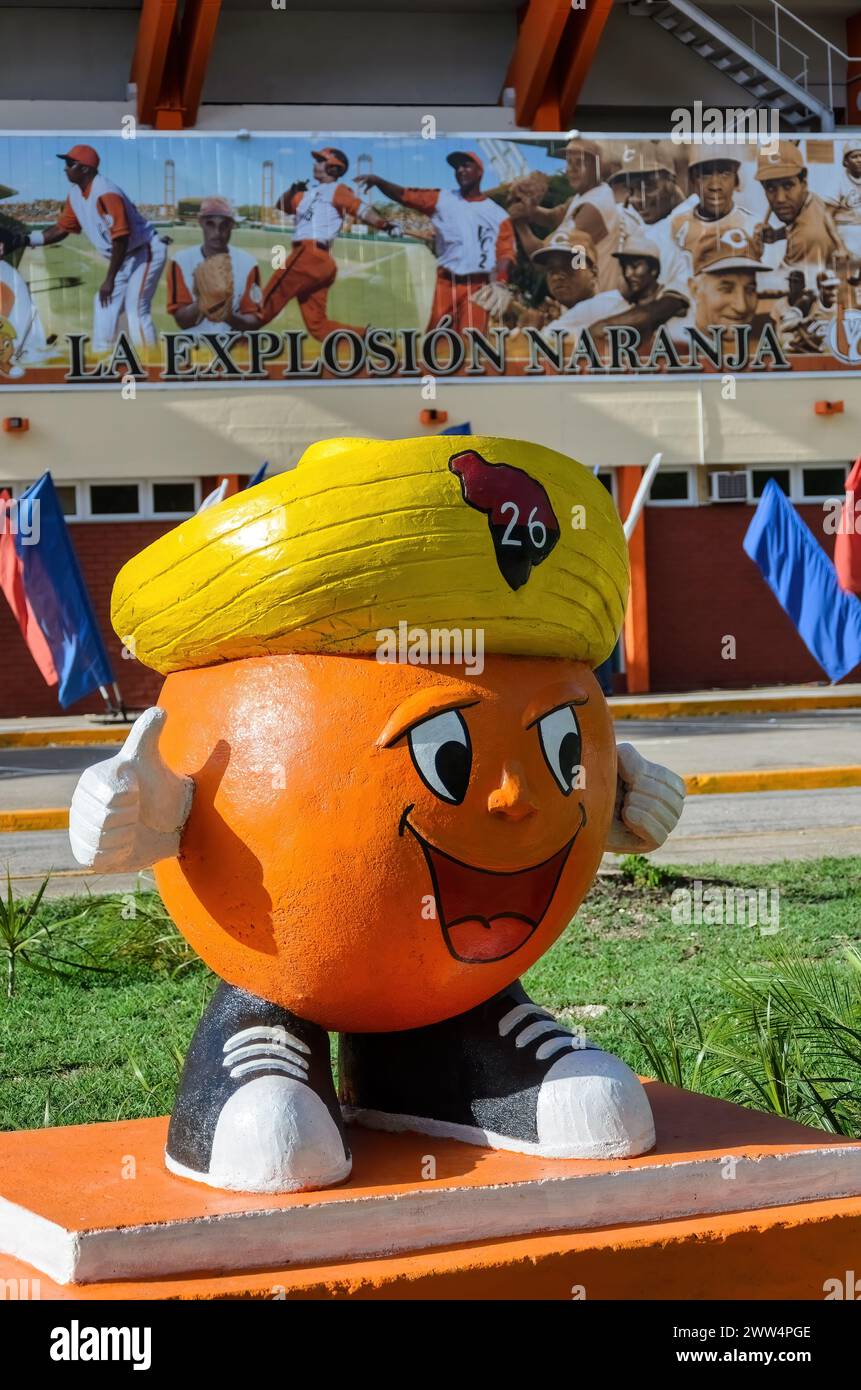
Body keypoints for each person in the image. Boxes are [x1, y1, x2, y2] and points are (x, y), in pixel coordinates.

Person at [15, 143, 166, 353]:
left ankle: (152, 364)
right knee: (103, 303)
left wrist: (110, 279)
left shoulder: (106, 193)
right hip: (123, 256)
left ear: (85, 168)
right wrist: (23, 240)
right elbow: (61, 229)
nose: (65, 168)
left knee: (136, 309)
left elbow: (121, 238)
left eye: (70, 163)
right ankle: (101, 355)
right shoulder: (75, 195)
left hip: (145, 251)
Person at [357, 151, 515, 333]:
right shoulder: (442, 198)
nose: (460, 170)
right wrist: (380, 182)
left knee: (471, 342)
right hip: (446, 283)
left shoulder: (498, 215)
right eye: (457, 167)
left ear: (480, 172)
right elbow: (405, 195)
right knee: (437, 342)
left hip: (478, 286)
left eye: (466, 166)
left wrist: (501, 282)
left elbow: (505, 252)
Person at [259, 147, 396, 339]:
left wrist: (385, 225)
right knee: (318, 327)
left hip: (309, 253)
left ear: (333, 167)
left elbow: (362, 210)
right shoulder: (306, 194)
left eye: (320, 160)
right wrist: (292, 191)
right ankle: (369, 336)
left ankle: (232, 330)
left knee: (264, 306)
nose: (315, 163)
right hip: (319, 261)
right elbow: (280, 205)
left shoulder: (337, 190)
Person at [507, 137, 630, 293]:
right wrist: (528, 208)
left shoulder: (595, 206)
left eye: (579, 163)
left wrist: (520, 224)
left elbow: (548, 258)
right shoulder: (585, 195)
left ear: (596, 167)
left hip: (597, 303)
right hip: (587, 303)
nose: (571, 169)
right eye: (569, 162)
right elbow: (552, 217)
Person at [652, 144, 759, 299]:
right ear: (693, 181)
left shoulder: (752, 226)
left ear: (736, 180)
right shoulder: (675, 227)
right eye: (705, 174)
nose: (715, 186)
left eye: (724, 173)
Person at [167, 197, 263, 335]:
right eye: (210, 224)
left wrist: (228, 316)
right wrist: (204, 303)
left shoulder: (249, 264)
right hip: (194, 349)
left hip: (234, 349)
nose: (217, 232)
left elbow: (254, 321)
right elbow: (182, 322)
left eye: (224, 225)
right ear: (201, 222)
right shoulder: (180, 261)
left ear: (232, 225)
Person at [755, 141, 846, 278]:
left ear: (804, 181)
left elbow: (779, 290)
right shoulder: (811, 201)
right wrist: (777, 235)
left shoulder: (806, 239)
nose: (780, 199)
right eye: (771, 187)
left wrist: (753, 255)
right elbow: (798, 224)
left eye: (788, 186)